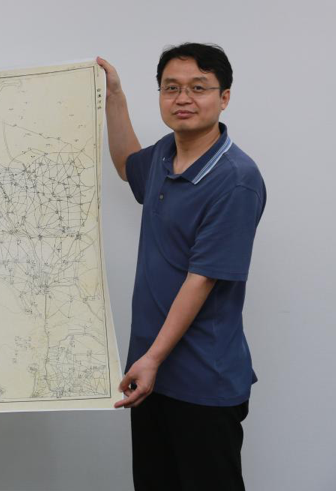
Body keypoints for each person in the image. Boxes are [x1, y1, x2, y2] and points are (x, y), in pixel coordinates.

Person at [97, 44, 265, 490]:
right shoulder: (164, 156)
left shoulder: (236, 179)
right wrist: (114, 96)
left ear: (224, 97)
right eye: (171, 88)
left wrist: (151, 359)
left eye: (198, 88)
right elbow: (126, 165)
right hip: (150, 375)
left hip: (202, 380)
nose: (183, 98)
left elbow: (201, 280)